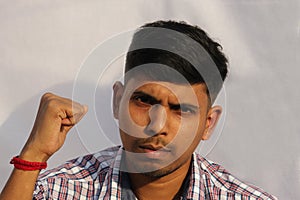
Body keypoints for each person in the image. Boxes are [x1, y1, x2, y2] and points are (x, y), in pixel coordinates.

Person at [0, 20, 277, 200]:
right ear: (117, 101)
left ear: (209, 123)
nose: (157, 126)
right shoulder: (63, 190)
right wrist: (33, 155)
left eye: (181, 110)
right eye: (143, 101)